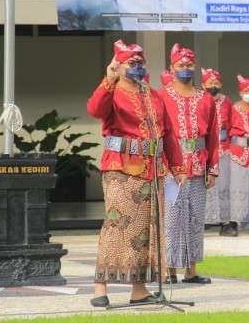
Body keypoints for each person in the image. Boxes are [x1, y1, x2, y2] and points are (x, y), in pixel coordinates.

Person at [87, 41, 169, 307]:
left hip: (151, 169)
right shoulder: (112, 91)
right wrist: (108, 79)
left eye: (140, 63)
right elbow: (95, 110)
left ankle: (139, 290)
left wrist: (175, 165)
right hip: (120, 167)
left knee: (144, 230)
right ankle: (100, 288)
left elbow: (167, 132)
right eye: (131, 63)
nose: (137, 67)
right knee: (117, 225)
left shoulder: (152, 94)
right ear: (119, 66)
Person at [160, 43, 219, 284]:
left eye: (189, 65)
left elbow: (214, 135)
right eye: (180, 64)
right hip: (171, 169)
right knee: (173, 216)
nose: (185, 68)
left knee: (195, 217)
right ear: (172, 67)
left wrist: (213, 168)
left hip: (198, 166)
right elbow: (158, 133)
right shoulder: (162, 96)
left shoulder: (206, 97)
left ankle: (191, 270)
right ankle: (169, 269)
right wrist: (163, 165)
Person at [201, 68, 234, 236]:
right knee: (203, 185)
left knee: (224, 186)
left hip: (223, 149)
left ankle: (225, 223)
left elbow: (232, 125)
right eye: (210, 83)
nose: (213, 86)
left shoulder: (227, 102)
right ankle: (203, 221)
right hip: (204, 148)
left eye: (216, 83)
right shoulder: (199, 100)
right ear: (203, 84)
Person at [228, 75, 249, 236]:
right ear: (240, 91)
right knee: (238, 186)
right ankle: (235, 221)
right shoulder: (233, 108)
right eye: (246, 90)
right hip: (238, 151)